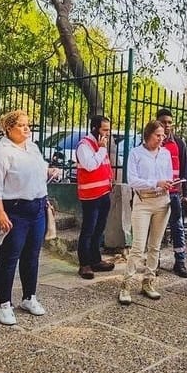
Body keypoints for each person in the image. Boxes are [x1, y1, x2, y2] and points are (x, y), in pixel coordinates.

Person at [0, 110, 61, 325]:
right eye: (21, 125)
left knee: (32, 256)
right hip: (13, 209)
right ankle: (4, 304)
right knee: (9, 258)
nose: (27, 129)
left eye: (28, 125)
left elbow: (39, 170)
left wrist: (50, 170)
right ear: (8, 128)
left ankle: (29, 297)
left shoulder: (32, 148)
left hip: (36, 208)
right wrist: (0, 213)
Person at [118, 120, 173, 305]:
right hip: (143, 201)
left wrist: (168, 183)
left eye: (163, 135)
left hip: (162, 201)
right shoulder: (136, 153)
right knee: (138, 246)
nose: (161, 138)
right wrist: (155, 182)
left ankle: (148, 281)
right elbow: (132, 180)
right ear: (148, 135)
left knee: (155, 246)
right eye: (158, 135)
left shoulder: (165, 154)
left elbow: (169, 175)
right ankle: (126, 284)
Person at [75, 115, 116, 279]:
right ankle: (84, 264)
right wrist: (102, 149)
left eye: (108, 129)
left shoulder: (100, 145)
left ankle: (95, 260)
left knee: (99, 229)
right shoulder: (84, 145)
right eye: (104, 129)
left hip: (103, 192)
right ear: (94, 129)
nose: (107, 133)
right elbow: (90, 165)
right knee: (88, 230)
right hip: (90, 195)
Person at [156, 108, 187, 278]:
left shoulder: (179, 143)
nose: (167, 125)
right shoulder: (152, 143)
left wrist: (186, 194)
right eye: (163, 122)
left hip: (175, 193)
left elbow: (185, 169)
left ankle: (180, 261)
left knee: (177, 227)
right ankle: (154, 261)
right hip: (157, 193)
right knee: (156, 228)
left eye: (169, 122)